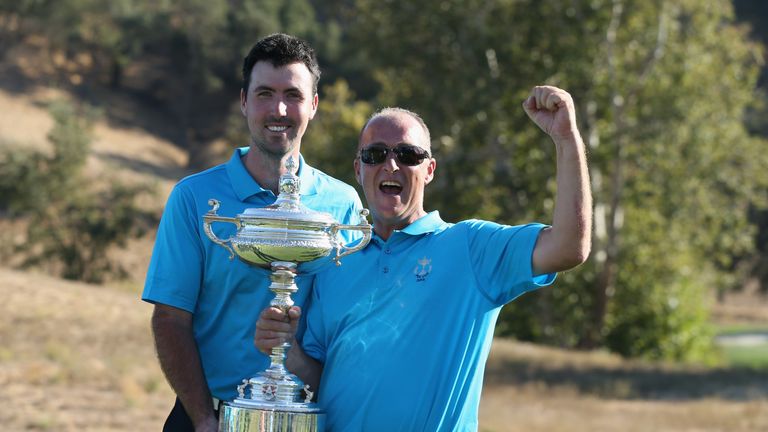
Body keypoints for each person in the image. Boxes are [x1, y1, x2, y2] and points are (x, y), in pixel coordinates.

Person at [255, 85, 592, 431]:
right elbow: (323, 382)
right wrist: (288, 351)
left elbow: (568, 247)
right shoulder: (335, 260)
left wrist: (566, 140)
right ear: (358, 170)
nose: (390, 164)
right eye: (375, 154)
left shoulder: (472, 247)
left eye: (408, 155)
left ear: (429, 169)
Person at [142, 33, 363, 432]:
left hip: (307, 416)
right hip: (208, 416)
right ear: (244, 101)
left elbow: (346, 330)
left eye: (293, 95)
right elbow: (170, 319)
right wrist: (206, 420)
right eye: (264, 93)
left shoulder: (343, 204)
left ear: (313, 106)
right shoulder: (194, 199)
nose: (278, 109)